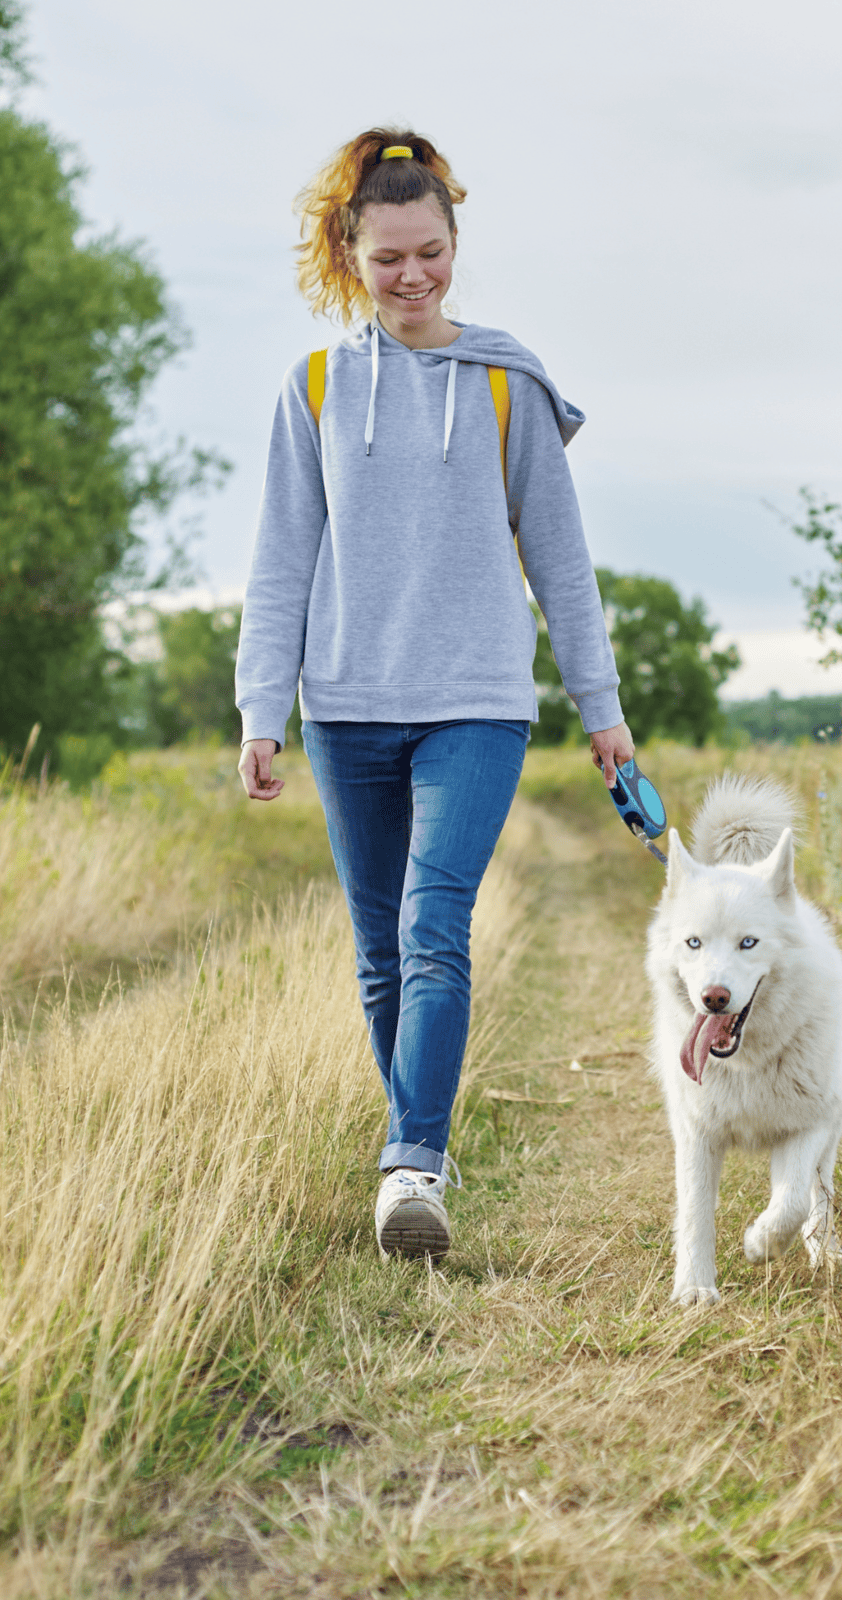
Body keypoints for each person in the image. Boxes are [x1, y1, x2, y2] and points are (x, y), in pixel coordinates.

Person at [235, 127, 633, 1261]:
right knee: (377, 951)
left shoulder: (509, 384)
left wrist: (599, 711)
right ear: (350, 255)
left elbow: (562, 564)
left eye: (431, 254)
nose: (413, 278)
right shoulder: (313, 387)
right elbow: (281, 560)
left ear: (457, 242)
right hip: (348, 706)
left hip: (477, 701)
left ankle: (411, 1159)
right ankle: (422, 1150)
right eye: (388, 259)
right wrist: (263, 707)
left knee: (431, 923)